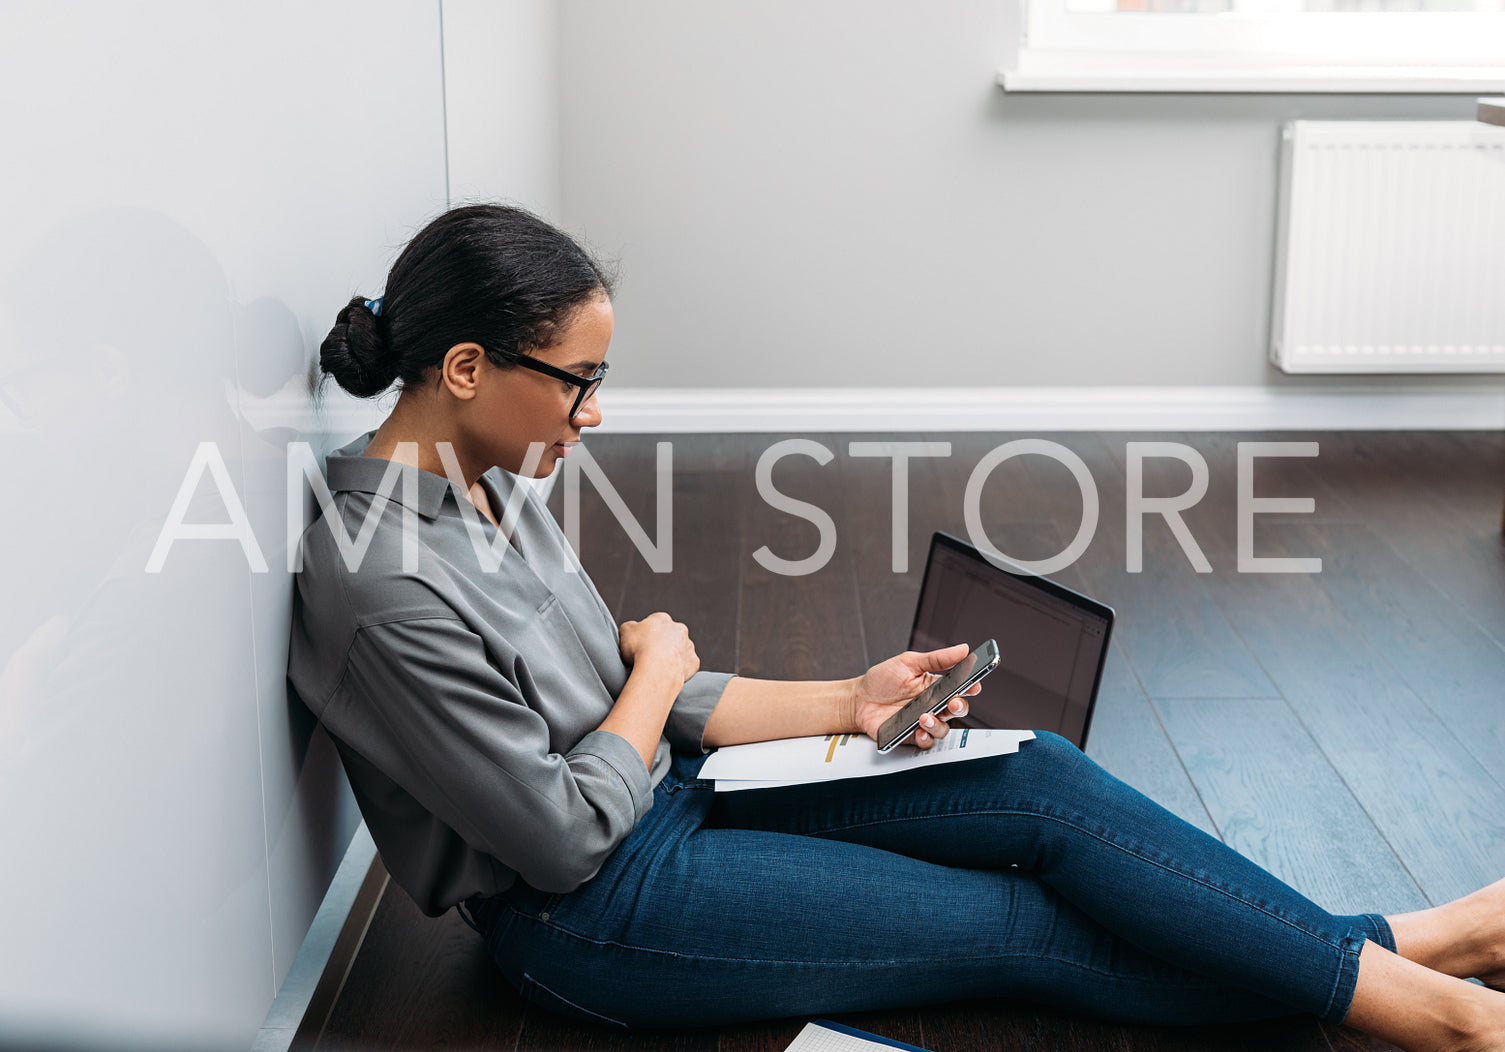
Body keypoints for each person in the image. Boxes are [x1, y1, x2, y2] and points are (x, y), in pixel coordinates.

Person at [289, 204, 1505, 1051]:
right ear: (461, 366)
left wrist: (846, 699)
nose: (594, 413)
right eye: (576, 381)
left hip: (675, 792)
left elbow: (634, 703)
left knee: (1037, 777)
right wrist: (655, 673)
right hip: (595, 911)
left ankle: (1394, 948)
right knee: (1019, 926)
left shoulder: (494, 476)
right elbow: (560, 835)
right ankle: (1428, 997)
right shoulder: (381, 584)